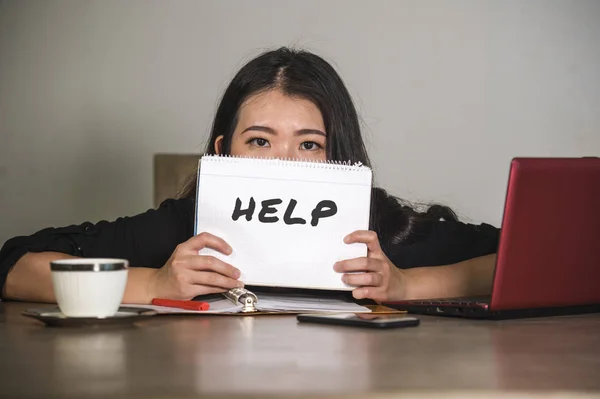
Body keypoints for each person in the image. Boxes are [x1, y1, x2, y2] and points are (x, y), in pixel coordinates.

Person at [0, 47, 499, 305]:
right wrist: (154, 282)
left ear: (340, 160)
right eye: (259, 141)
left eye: (309, 144)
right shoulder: (184, 230)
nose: (283, 162)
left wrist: (408, 285)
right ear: (223, 152)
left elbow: (519, 260)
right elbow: (15, 265)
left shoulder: (378, 232)